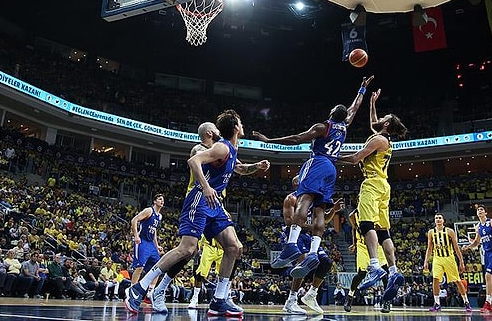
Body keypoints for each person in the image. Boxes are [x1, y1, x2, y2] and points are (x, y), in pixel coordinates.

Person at [124, 110, 269, 317]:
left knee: (234, 247)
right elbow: (193, 162)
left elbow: (242, 170)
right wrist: (207, 186)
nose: (243, 125)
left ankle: (219, 300)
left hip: (215, 204)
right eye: (241, 123)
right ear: (236, 127)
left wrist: (258, 166)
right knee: (187, 249)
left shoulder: (231, 149)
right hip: (201, 199)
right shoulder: (220, 147)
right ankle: (139, 288)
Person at [253, 75, 374, 278]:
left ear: (331, 113)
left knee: (304, 200)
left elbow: (297, 138)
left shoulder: (322, 127)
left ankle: (291, 244)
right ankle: (312, 253)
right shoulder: (344, 125)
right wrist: (361, 89)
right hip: (332, 169)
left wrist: (269, 140)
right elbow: (354, 108)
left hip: (318, 162)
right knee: (320, 210)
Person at [336, 88, 407, 306]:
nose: (380, 119)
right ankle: (393, 270)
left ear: (387, 125)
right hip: (384, 186)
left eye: (384, 119)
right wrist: (372, 103)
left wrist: (333, 157)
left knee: (366, 225)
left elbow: (357, 157)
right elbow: (373, 124)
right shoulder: (383, 139)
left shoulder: (377, 141)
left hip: (372, 184)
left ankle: (375, 265)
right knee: (383, 230)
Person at [278, 175, 344, 315]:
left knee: (326, 261)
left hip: (308, 235)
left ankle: (311, 294)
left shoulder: (314, 199)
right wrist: (313, 226)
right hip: (294, 234)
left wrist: (334, 210)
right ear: (297, 185)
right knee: (303, 260)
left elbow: (323, 220)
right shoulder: (291, 199)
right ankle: (291, 301)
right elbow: (290, 221)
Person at [423, 213, 472, 312]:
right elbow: (429, 248)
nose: (438, 219)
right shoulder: (431, 232)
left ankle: (466, 302)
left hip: (449, 258)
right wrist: (426, 261)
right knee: (435, 279)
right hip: (437, 258)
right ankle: (437, 303)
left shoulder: (450, 231)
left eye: (440, 218)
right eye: (436, 218)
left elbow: (456, 247)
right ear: (434, 220)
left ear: (443, 220)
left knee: (457, 281)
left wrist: (461, 261)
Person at [344, 207, 389, 313]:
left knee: (385, 274)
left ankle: (387, 301)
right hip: (362, 246)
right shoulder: (353, 215)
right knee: (361, 274)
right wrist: (354, 244)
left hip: (376, 245)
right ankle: (350, 297)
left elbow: (385, 230)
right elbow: (354, 228)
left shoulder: (377, 210)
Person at [129, 193, 165, 301]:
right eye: (159, 199)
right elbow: (134, 220)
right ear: (154, 201)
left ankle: (150, 293)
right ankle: (132, 291)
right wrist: (136, 236)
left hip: (150, 244)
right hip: (142, 241)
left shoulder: (159, 216)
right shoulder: (149, 210)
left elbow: (154, 231)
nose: (162, 201)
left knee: (158, 268)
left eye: (163, 200)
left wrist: (157, 245)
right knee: (140, 267)